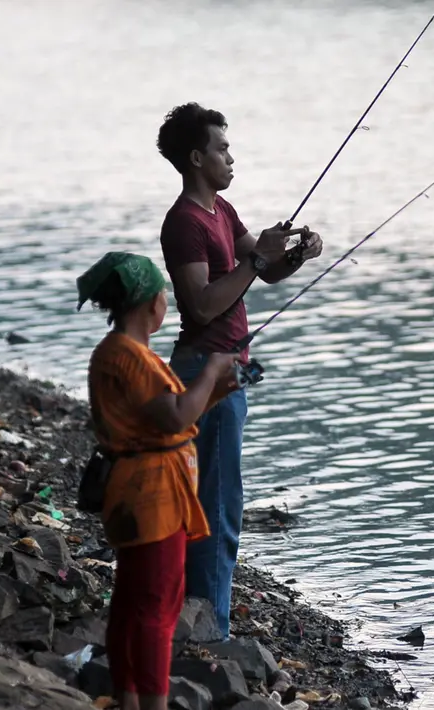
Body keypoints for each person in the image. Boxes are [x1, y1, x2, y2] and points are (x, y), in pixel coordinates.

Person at [156, 102, 324, 639]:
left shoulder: (222, 211)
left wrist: (293, 254)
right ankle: (213, 633)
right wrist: (254, 264)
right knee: (219, 508)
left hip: (225, 372)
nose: (232, 157)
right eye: (223, 149)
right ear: (197, 157)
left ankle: (194, 618)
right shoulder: (184, 222)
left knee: (209, 500)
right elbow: (202, 305)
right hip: (208, 373)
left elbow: (264, 271)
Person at [77, 251, 242, 710]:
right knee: (157, 608)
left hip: (140, 494)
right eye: (164, 294)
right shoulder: (129, 358)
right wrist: (210, 369)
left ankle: (128, 697)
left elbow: (170, 418)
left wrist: (221, 386)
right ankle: (152, 702)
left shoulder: (123, 353)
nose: (166, 302)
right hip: (151, 499)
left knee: (133, 601)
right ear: (150, 303)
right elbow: (173, 420)